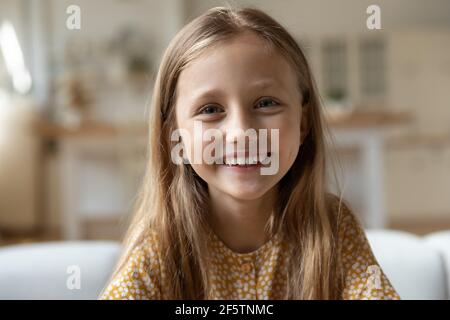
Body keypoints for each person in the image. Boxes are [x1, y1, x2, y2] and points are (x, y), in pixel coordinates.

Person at [100, 5, 400, 300]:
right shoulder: (159, 245)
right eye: (210, 110)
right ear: (174, 134)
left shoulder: (332, 226)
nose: (241, 132)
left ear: (304, 122)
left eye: (266, 103)